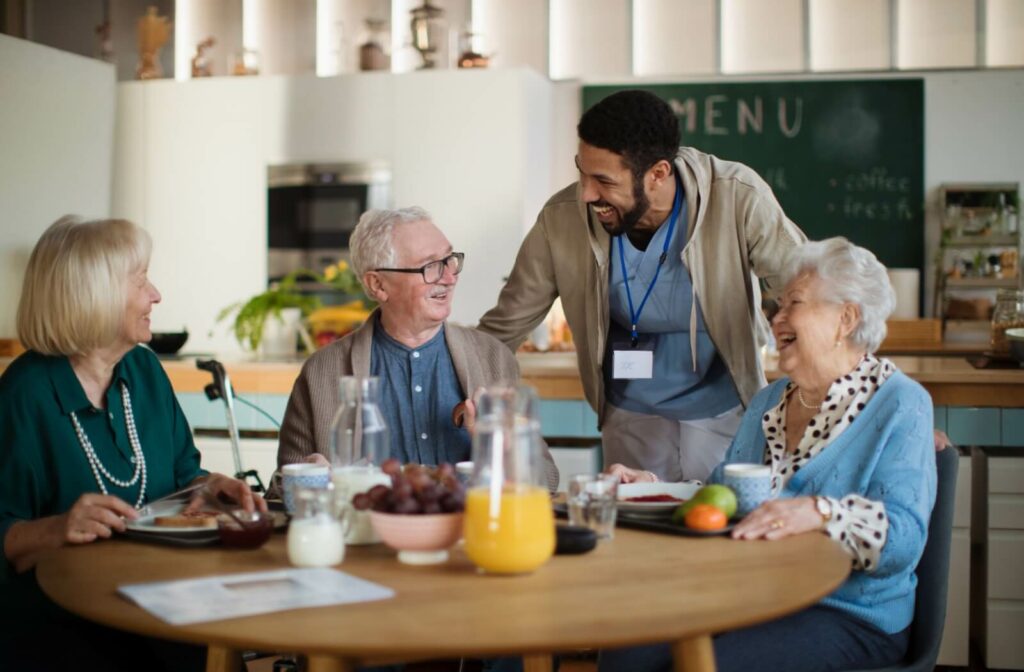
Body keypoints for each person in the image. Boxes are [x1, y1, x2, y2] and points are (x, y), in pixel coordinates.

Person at [601, 238, 937, 672]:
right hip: (753, 595)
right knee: (628, 647)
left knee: (713, 665)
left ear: (846, 318)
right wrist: (654, 488)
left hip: (847, 614)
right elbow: (725, 499)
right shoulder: (769, 402)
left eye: (792, 302)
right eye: (776, 305)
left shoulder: (901, 405)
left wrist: (819, 512)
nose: (775, 318)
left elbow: (904, 540)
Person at [478, 89, 806, 483]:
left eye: (603, 180)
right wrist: (464, 386)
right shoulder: (562, 219)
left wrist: (806, 390)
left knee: (718, 524)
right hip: (630, 412)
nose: (586, 193)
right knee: (638, 530)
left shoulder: (736, 196)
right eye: (581, 172)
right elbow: (504, 326)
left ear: (658, 174)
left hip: (723, 410)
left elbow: (806, 288)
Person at [0, 216, 265, 671]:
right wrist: (59, 527)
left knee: (222, 652)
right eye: (140, 279)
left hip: (157, 600)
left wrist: (207, 487)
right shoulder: (25, 394)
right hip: (62, 620)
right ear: (93, 293)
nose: (156, 294)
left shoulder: (144, 371)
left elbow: (182, 475)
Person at [278, 207, 559, 492]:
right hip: (368, 534)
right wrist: (307, 479)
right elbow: (280, 491)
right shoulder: (321, 372)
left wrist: (497, 446)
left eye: (449, 260)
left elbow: (546, 481)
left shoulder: (493, 358)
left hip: (471, 534)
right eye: (430, 266)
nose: (449, 277)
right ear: (378, 285)